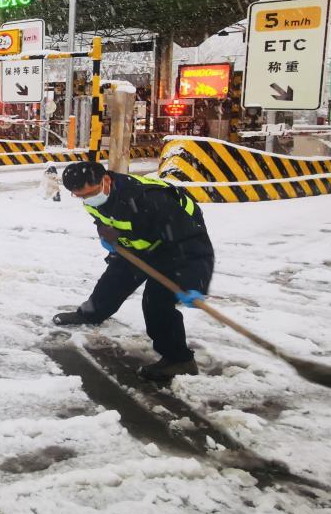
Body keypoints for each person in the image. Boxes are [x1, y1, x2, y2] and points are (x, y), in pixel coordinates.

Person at [55, 160, 214, 381]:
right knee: (113, 281)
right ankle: (91, 314)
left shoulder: (151, 198)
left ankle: (180, 360)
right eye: (81, 196)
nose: (87, 199)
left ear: (106, 179)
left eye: (90, 193)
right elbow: (104, 218)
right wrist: (107, 234)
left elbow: (194, 244)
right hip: (137, 246)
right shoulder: (93, 196)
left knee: (157, 302)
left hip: (174, 248)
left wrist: (193, 283)